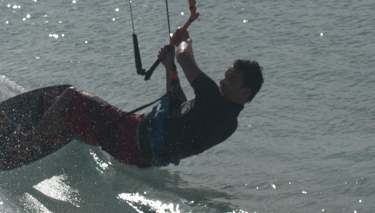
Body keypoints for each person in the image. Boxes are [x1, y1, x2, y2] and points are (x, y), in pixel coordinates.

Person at [49, 38, 262, 168]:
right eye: (225, 76)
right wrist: (169, 66)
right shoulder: (228, 122)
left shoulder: (213, 99)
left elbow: (184, 56)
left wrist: (184, 39)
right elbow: (178, 108)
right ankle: (58, 131)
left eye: (230, 80)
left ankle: (26, 142)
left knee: (70, 95)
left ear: (245, 93)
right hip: (143, 159)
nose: (222, 82)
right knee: (79, 126)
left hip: (131, 135)